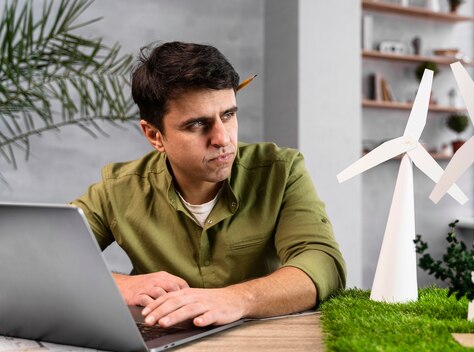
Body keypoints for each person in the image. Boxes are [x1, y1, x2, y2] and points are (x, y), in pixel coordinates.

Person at [71, 41, 346, 329]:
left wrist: (237, 299)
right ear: (154, 135)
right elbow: (45, 256)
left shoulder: (282, 170)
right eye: (197, 124)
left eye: (228, 115)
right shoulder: (118, 189)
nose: (223, 139)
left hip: (262, 340)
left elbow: (323, 262)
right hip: (163, 343)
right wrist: (121, 285)